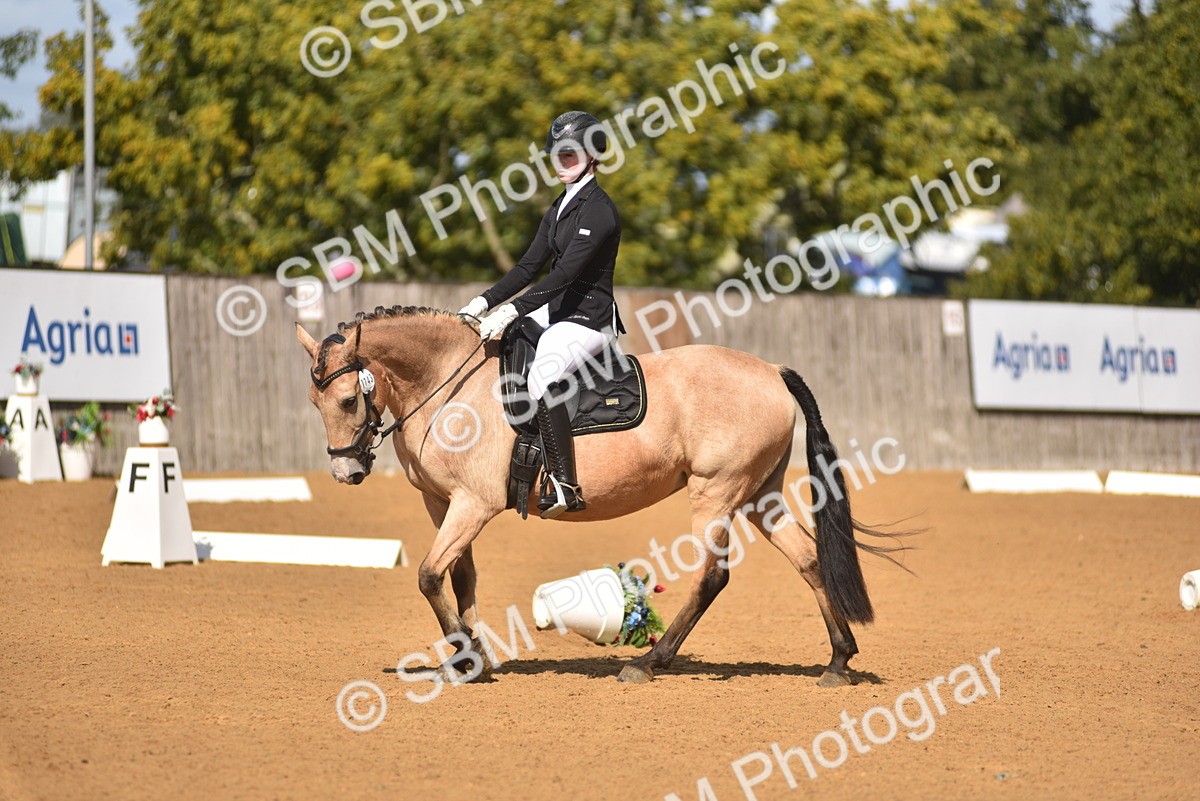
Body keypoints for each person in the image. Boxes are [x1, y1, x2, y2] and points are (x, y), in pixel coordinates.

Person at [459, 110, 624, 519]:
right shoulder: (558, 208)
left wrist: (514, 308)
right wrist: (482, 303)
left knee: (543, 374)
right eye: (557, 154)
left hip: (589, 320)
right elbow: (528, 267)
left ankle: (566, 483)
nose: (562, 161)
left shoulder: (599, 210)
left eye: (570, 154)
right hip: (558, 313)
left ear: (591, 155)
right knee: (507, 341)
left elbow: (566, 274)